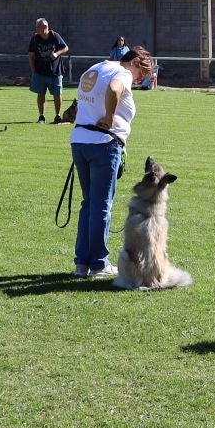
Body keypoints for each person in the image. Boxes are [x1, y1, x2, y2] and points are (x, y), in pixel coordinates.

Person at [69, 44, 156, 278]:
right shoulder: (122, 73)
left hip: (80, 141)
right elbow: (114, 89)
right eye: (141, 74)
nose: (138, 81)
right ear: (135, 62)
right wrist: (108, 118)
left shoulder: (96, 68)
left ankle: (82, 263)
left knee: (88, 204)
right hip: (104, 144)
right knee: (101, 205)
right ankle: (98, 263)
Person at [28, 18, 71, 124]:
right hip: (40, 72)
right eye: (36, 27)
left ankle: (58, 116)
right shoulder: (34, 39)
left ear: (45, 27)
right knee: (40, 94)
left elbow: (65, 48)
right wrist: (33, 71)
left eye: (39, 27)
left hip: (55, 72)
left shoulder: (55, 36)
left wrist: (56, 54)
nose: (37, 29)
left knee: (57, 94)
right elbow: (31, 56)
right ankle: (41, 117)